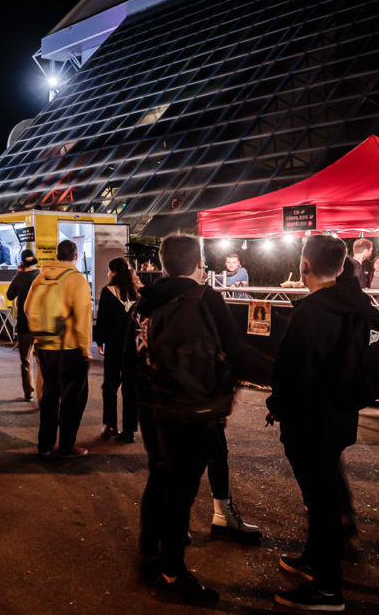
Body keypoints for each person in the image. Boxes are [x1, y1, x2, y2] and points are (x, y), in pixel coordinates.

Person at [266, 235, 379, 611]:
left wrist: (276, 405)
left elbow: (292, 371)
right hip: (341, 415)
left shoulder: (310, 312)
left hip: (309, 421)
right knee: (322, 496)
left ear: (304, 267)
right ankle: (315, 559)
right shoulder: (358, 304)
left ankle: (328, 590)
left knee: (321, 503)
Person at [135, 235, 245, 604]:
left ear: (163, 264)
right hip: (191, 406)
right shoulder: (205, 297)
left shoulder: (148, 300)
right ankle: (171, 573)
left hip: (153, 402)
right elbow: (236, 350)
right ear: (198, 260)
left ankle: (150, 552)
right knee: (181, 490)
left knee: (161, 476)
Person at [24, 239, 92, 458]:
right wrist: (84, 348)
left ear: (56, 254)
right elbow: (82, 315)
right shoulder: (76, 279)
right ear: (75, 255)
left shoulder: (41, 277)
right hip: (70, 347)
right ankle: (66, 445)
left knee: (49, 396)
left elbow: (27, 308)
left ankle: (45, 444)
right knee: (73, 399)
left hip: (44, 345)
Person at [93, 257, 139, 442]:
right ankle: (129, 431)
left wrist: (99, 341)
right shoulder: (137, 292)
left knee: (110, 386)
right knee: (130, 387)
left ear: (113, 272)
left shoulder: (107, 291)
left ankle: (110, 425)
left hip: (114, 344)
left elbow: (102, 319)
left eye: (109, 270)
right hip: (133, 346)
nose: (107, 273)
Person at [5, 250, 41, 401]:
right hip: (41, 325)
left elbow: (9, 295)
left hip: (24, 325)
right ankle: (43, 389)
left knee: (26, 360)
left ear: (22, 263)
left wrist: (18, 274)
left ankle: (29, 392)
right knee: (42, 360)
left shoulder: (19, 278)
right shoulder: (41, 276)